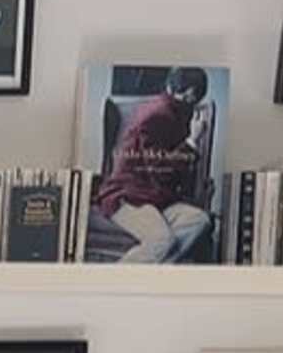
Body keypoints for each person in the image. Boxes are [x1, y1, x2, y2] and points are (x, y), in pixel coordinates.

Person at [91, 66, 218, 263]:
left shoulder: (176, 112)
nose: (190, 104)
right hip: (128, 197)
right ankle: (115, 278)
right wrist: (192, 141)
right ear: (178, 91)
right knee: (161, 240)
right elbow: (160, 172)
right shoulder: (157, 115)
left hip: (156, 198)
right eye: (188, 97)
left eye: (193, 99)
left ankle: (155, 271)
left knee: (199, 220)